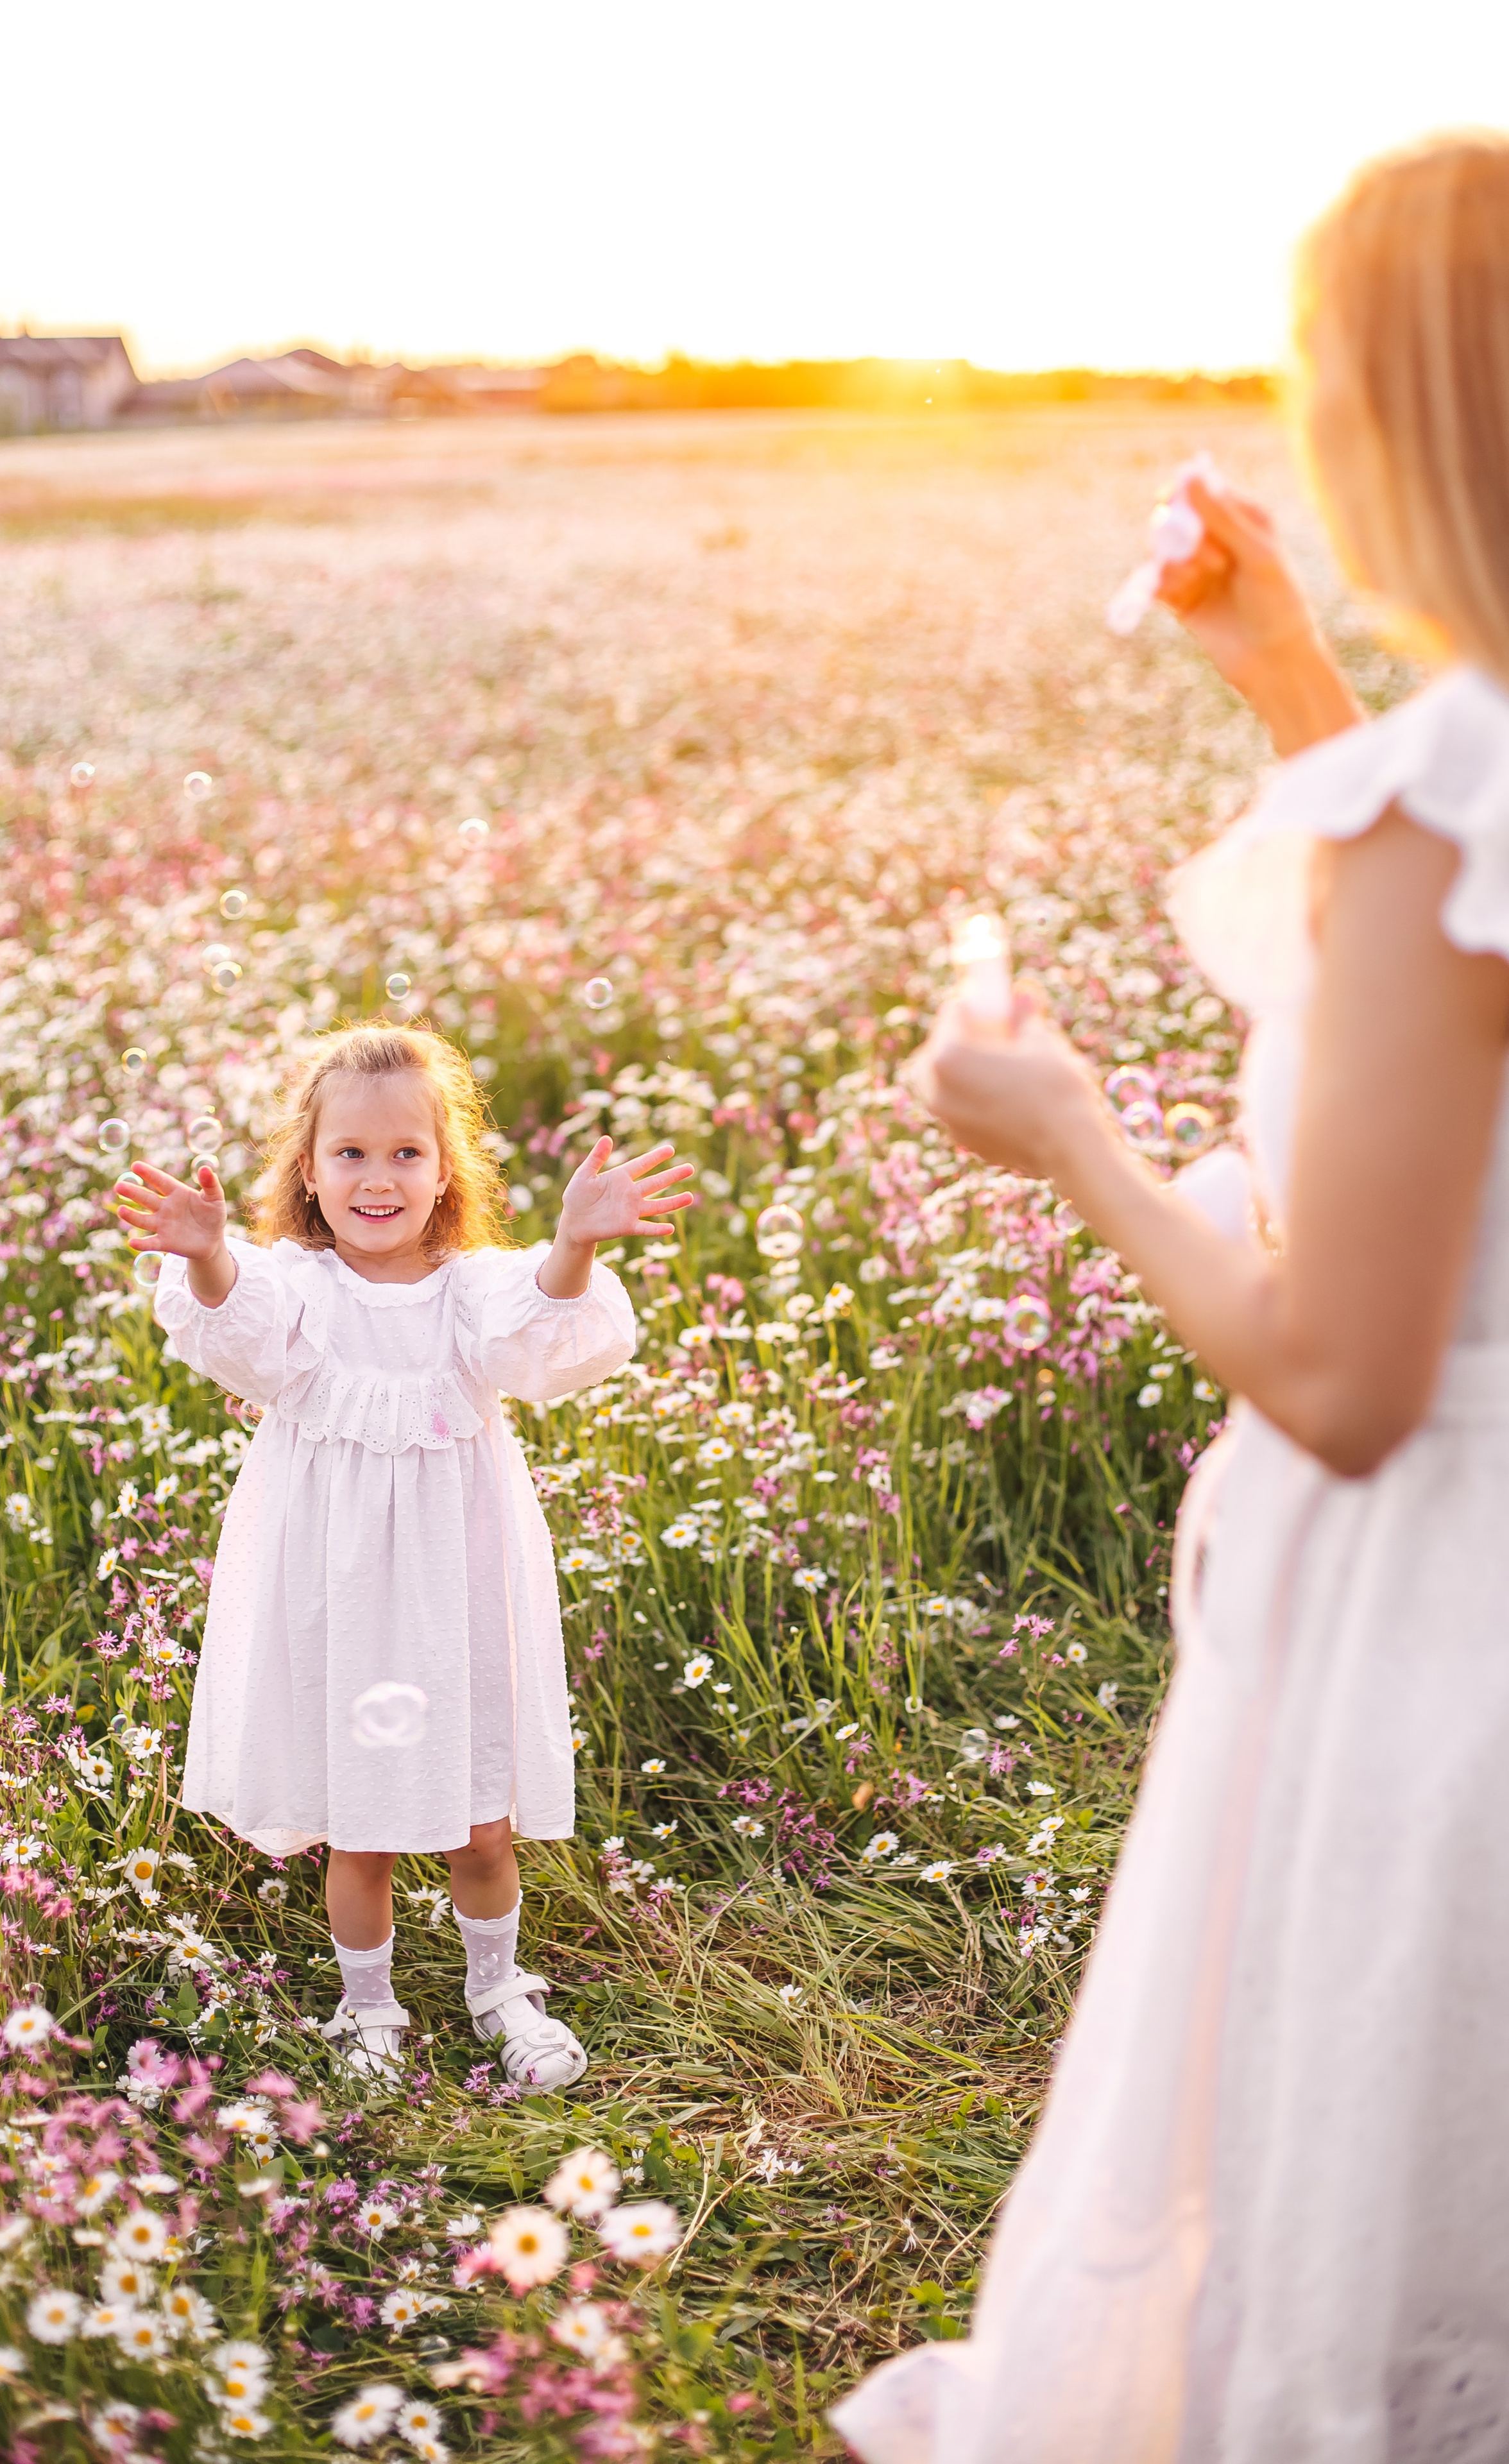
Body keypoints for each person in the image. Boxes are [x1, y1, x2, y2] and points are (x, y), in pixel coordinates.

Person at [833, 133, 1509, 2462]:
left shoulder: (1456, 800)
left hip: (1445, 1622)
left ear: (1403, 420)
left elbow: (1345, 1375)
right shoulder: (1453, 784)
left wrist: (1075, 1140)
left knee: (1380, 2183)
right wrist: (1297, 670)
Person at [114, 1022, 694, 2087]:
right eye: (350, 1154)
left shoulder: (473, 1290)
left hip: (454, 1581)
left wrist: (576, 1243)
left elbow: (542, 1337)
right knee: (359, 1827)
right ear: (307, 1169)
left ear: (445, 1171)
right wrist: (205, 1254)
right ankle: (368, 2009)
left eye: (405, 1155)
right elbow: (237, 1326)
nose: (377, 1179)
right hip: (331, 1589)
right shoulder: (294, 1286)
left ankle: (497, 1991)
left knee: (481, 1815)